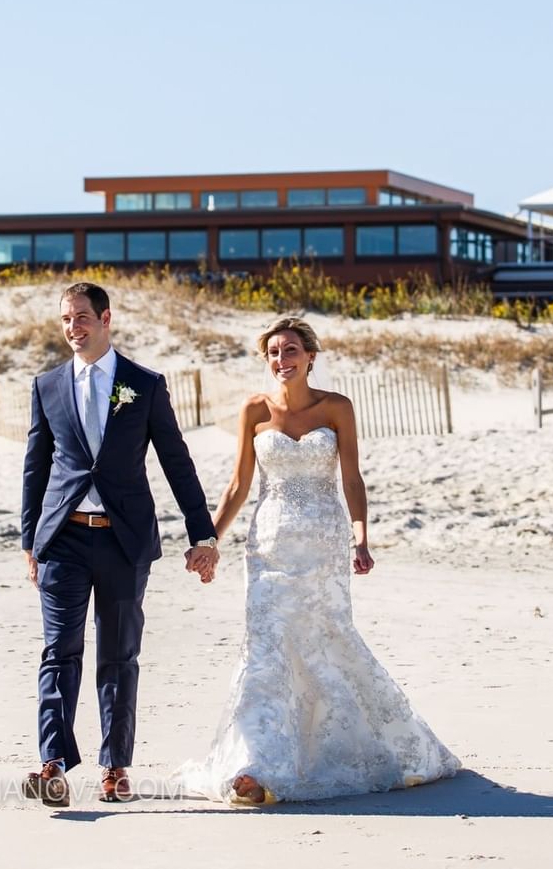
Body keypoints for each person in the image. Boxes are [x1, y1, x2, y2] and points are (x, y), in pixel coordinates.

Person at [180, 314, 459, 806]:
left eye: (290, 351)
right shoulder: (253, 410)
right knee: (266, 649)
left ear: (310, 356)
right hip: (268, 548)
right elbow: (237, 486)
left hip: (324, 547)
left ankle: (351, 748)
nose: (281, 360)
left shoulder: (338, 408)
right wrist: (209, 541)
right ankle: (256, 764)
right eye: (273, 353)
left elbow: (351, 478)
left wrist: (361, 537)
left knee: (326, 641)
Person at [20, 281, 219, 807]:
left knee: (118, 656)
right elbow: (35, 469)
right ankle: (53, 763)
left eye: (81, 317)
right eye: (65, 319)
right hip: (61, 540)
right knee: (58, 651)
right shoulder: (47, 386)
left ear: (106, 318)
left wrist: (202, 533)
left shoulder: (143, 385)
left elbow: (176, 461)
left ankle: (115, 767)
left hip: (123, 543)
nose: (72, 327)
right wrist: (29, 540)